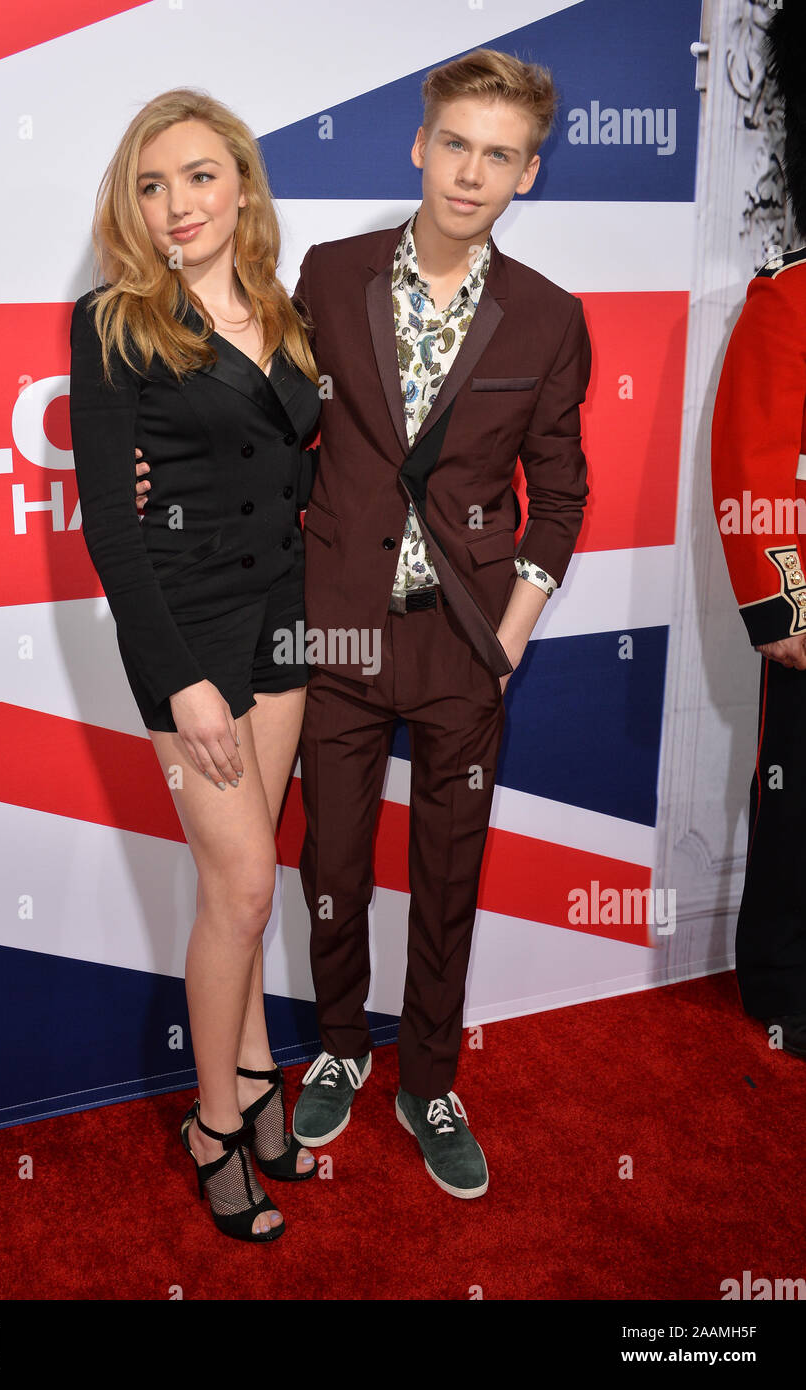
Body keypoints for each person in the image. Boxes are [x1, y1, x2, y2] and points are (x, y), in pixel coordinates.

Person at [136, 49, 591, 1198]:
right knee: (331, 862)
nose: (470, 173)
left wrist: (513, 632)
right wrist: (161, 467)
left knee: (449, 869)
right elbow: (263, 414)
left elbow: (563, 489)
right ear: (418, 145)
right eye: (455, 144)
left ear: (527, 174)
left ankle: (429, 1078)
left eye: (499, 155)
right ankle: (339, 1047)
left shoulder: (547, 318)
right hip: (327, 632)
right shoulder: (326, 280)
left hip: (465, 639)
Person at [69, 88, 322, 1242]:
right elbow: (112, 534)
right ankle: (216, 1120)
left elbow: (294, 464)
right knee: (246, 885)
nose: (178, 205)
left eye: (200, 177)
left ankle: (262, 1078)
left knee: (252, 873)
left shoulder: (282, 304)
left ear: (242, 184)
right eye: (153, 185)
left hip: (286, 609)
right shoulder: (113, 321)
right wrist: (180, 682)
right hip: (188, 629)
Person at [709, 6, 806, 1061]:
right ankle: (785, 977)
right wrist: (782, 603)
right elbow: (752, 459)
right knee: (799, 800)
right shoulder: (793, 293)